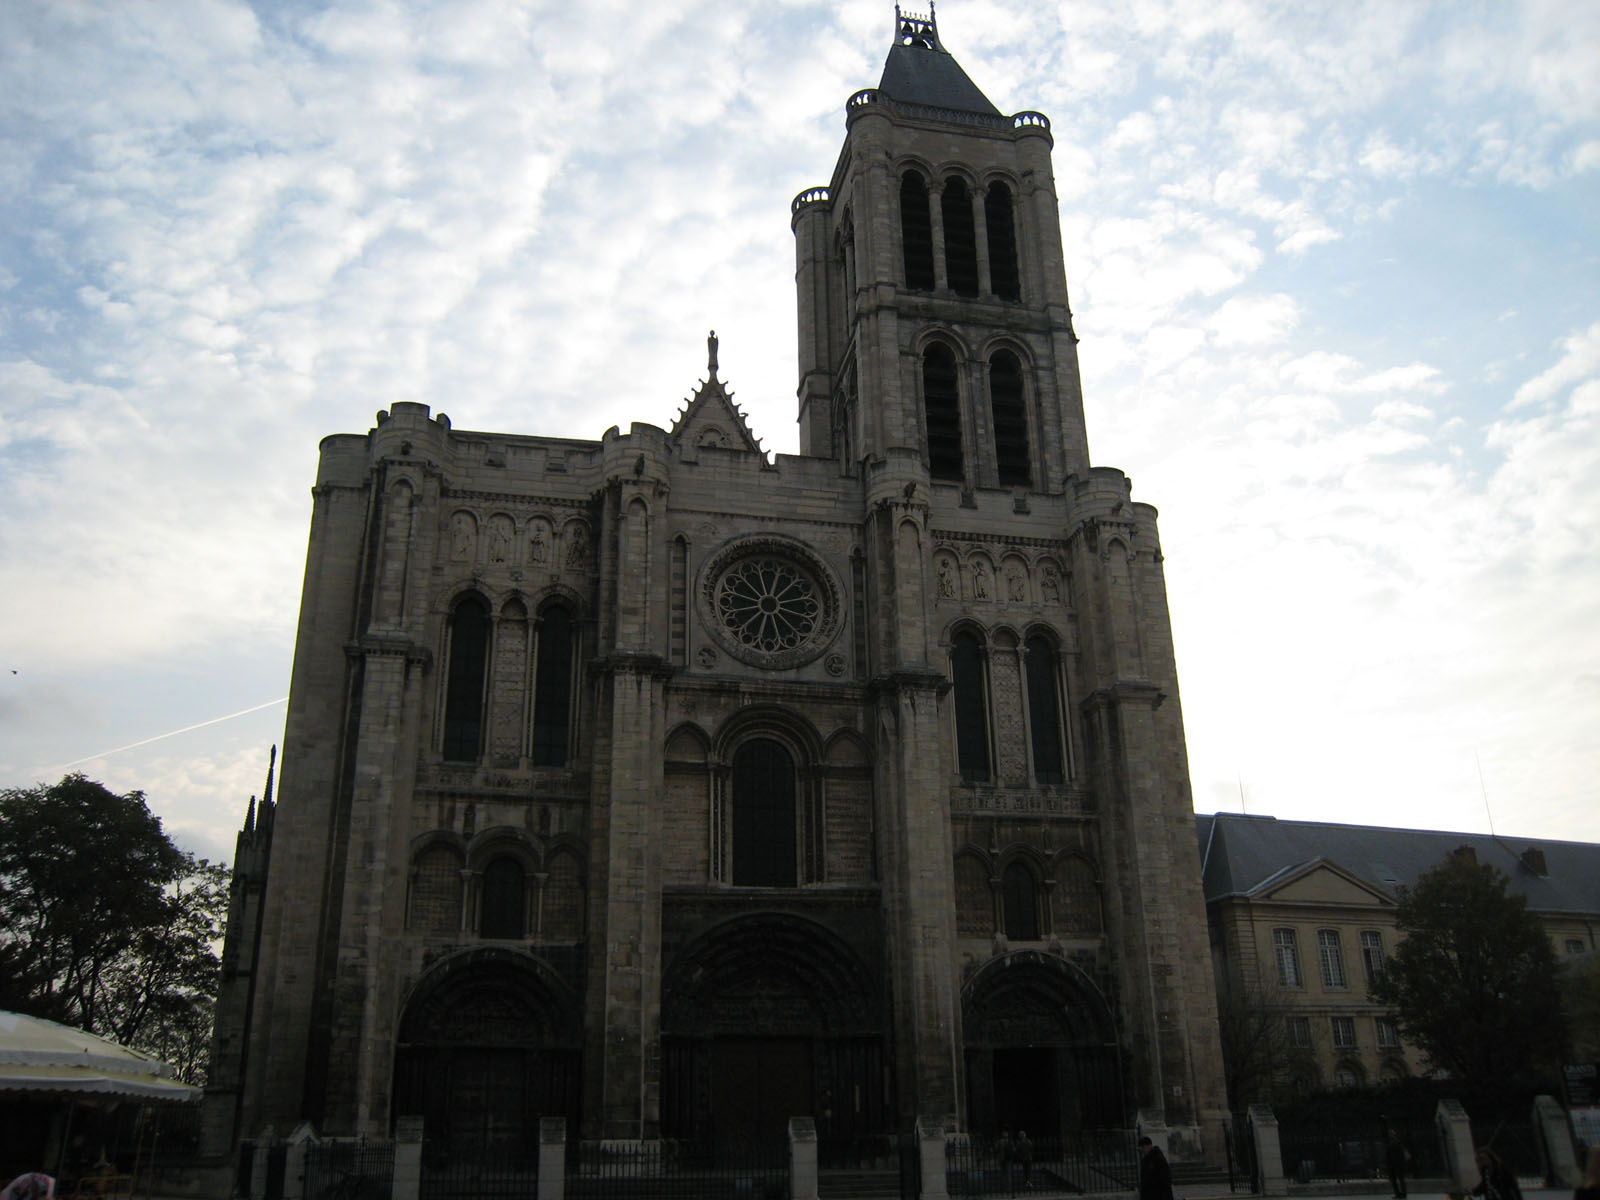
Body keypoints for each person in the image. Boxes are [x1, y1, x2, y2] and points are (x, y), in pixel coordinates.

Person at [1139, 1135, 1175, 1200]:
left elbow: (1165, 1180)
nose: (1142, 1150)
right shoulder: (1145, 1160)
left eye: (1143, 1147)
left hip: (1158, 1194)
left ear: (1149, 1146)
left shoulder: (1158, 1159)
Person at [1386, 1127, 1411, 1199]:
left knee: (1399, 1180)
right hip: (1396, 1164)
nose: (1390, 1135)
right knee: (1398, 1180)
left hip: (1397, 1164)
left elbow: (1399, 1155)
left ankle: (1401, 1194)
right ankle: (1400, 1194)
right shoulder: (1396, 1143)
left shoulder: (1396, 1143)